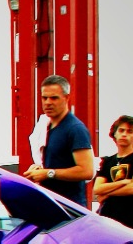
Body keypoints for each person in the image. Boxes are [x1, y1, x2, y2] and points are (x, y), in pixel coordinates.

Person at [21, 75, 95, 206]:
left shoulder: (75, 129)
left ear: (66, 98)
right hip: (50, 204)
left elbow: (87, 171)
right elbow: (53, 163)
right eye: (44, 98)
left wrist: (48, 173)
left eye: (54, 98)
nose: (48, 102)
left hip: (70, 209)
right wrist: (38, 169)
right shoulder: (45, 126)